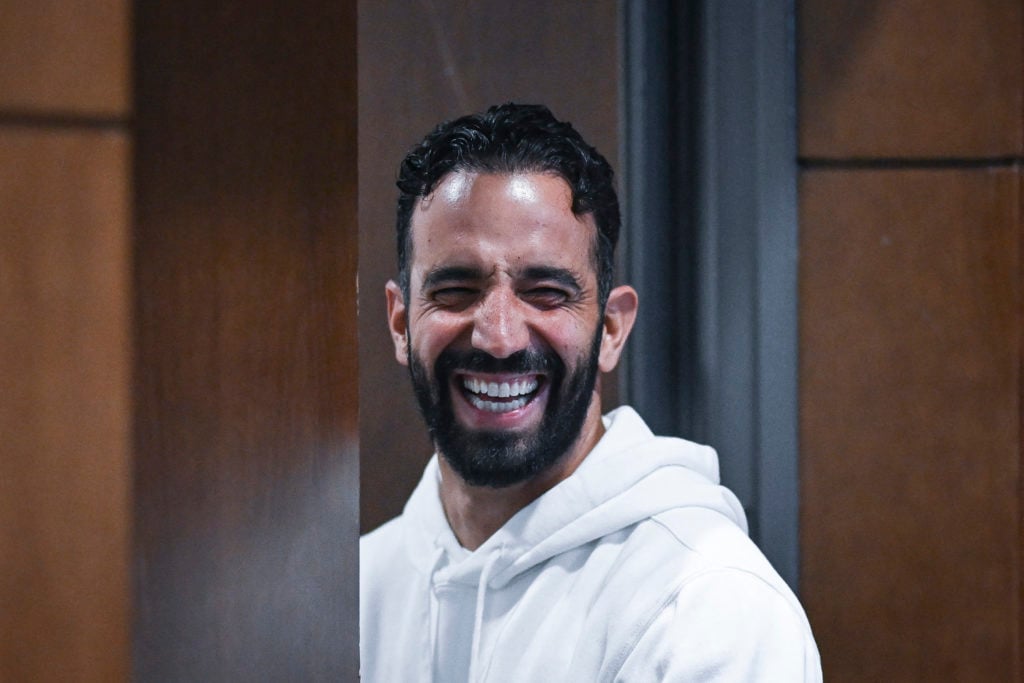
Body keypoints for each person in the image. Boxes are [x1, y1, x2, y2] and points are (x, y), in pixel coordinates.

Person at [360, 103, 821, 682]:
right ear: (401, 323)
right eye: (455, 288)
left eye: (546, 291)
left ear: (610, 330)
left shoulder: (707, 606)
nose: (499, 337)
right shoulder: (352, 592)